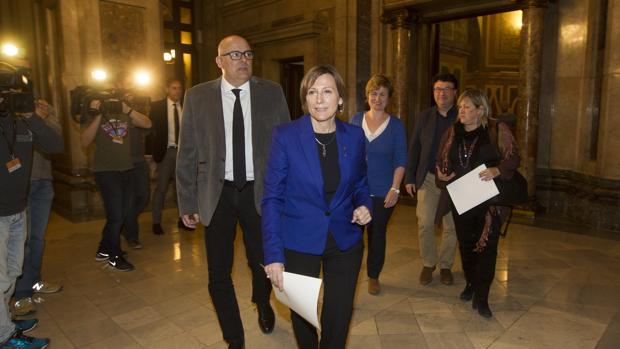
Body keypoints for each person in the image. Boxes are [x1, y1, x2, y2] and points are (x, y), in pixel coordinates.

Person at [176, 35, 290, 349]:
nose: (243, 60)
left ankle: (262, 301)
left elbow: (286, 148)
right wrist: (187, 201)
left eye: (248, 54)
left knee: (264, 262)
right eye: (235, 54)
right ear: (219, 61)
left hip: (259, 193)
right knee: (218, 273)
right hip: (217, 195)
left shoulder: (272, 93)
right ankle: (234, 338)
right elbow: (186, 152)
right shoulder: (198, 97)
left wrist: (286, 197)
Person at [263, 65, 372, 349]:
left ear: (340, 99)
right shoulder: (285, 136)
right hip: (298, 240)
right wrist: (273, 254)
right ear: (305, 98)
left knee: (338, 314)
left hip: (345, 239)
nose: (319, 99)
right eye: (312, 92)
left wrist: (363, 205)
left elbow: (360, 182)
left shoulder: (355, 136)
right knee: (303, 315)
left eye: (327, 91)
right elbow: (272, 197)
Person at [435, 88, 520, 318]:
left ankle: (482, 297)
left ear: (480, 110)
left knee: (487, 248)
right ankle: (471, 284)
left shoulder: (495, 129)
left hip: (490, 203)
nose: (461, 111)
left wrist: (497, 169)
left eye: (467, 107)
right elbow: (442, 159)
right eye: (460, 107)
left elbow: (513, 156)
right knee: (466, 245)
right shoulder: (453, 131)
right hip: (462, 199)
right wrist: (442, 175)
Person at [0, 61, 63, 349]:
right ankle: (5, 337)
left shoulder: (22, 119)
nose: (14, 97)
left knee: (12, 273)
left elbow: (54, 145)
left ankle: (4, 321)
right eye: (7, 92)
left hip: (17, 209)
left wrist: (32, 115)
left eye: (17, 91)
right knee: (0, 277)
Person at [80, 74, 152, 272]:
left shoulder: (125, 113)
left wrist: (126, 108)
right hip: (106, 172)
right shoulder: (93, 114)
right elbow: (84, 142)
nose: (110, 97)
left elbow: (147, 123)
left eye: (114, 92)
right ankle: (114, 256)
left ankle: (104, 249)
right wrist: (97, 115)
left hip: (127, 170)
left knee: (121, 213)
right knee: (116, 215)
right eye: (106, 93)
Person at [349, 74, 406, 295]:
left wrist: (395, 188)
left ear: (389, 98)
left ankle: (373, 276)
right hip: (356, 191)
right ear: (367, 96)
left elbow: (401, 159)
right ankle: (350, 273)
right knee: (353, 236)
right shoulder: (355, 120)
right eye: (374, 93)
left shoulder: (396, 126)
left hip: (384, 192)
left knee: (377, 235)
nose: (378, 98)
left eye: (382, 94)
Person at [404, 73, 458, 286]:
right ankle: (428, 263)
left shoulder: (462, 116)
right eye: (437, 89)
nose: (441, 93)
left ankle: (445, 266)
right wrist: (409, 176)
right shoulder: (425, 116)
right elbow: (415, 147)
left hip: (455, 181)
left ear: (454, 92)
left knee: (451, 226)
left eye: (446, 89)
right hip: (427, 178)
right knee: (425, 223)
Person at [12, 99, 63, 318]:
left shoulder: (41, 112)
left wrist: (47, 114)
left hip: (43, 181)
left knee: (37, 238)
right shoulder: (11, 113)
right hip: (21, 183)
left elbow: (56, 141)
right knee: (22, 240)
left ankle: (35, 281)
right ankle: (21, 294)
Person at [148, 77, 192, 235]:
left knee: (181, 189)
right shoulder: (157, 107)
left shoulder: (187, 106)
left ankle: (183, 219)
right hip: (165, 152)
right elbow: (150, 132)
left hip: (183, 153)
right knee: (161, 188)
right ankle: (156, 222)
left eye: (179, 88)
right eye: (174, 88)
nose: (177, 91)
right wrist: (150, 156)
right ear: (167, 90)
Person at [117, 71, 152, 249]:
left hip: (139, 160)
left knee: (143, 197)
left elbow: (147, 123)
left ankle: (125, 223)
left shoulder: (139, 104)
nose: (130, 90)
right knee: (129, 199)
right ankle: (132, 236)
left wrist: (129, 109)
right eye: (127, 85)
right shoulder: (112, 104)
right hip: (122, 161)